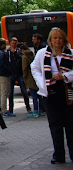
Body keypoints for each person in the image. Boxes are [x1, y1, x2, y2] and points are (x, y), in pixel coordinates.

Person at [31, 27, 73, 164]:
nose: (57, 40)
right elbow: (35, 68)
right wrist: (41, 83)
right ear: (50, 39)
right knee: (55, 126)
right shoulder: (43, 53)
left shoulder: (71, 53)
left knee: (70, 126)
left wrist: (64, 76)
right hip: (50, 93)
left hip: (67, 93)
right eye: (54, 38)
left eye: (60, 38)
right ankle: (59, 155)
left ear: (64, 40)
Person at [8, 37, 32, 115]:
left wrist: (16, 53)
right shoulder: (8, 51)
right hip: (11, 74)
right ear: (10, 43)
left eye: (15, 43)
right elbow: (6, 61)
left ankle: (28, 107)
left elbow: (22, 59)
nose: (14, 45)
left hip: (19, 74)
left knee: (24, 92)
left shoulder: (19, 51)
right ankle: (10, 109)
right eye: (13, 43)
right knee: (10, 93)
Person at [20, 43, 44, 117]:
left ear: (22, 50)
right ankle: (41, 110)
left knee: (33, 96)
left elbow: (24, 69)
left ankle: (35, 112)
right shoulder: (32, 54)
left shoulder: (24, 57)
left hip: (30, 78)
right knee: (39, 96)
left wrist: (24, 77)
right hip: (36, 77)